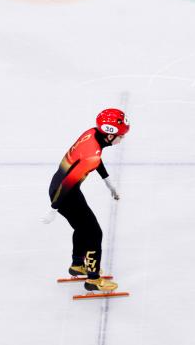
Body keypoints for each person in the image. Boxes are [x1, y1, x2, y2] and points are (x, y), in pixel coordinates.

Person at [45, 109, 128, 292]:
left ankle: (77, 265)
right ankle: (93, 279)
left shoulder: (92, 133)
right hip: (65, 194)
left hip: (62, 188)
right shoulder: (93, 155)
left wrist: (108, 182)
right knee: (94, 233)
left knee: (82, 229)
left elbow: (95, 160)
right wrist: (54, 208)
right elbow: (68, 182)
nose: (122, 139)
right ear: (109, 135)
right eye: (121, 136)